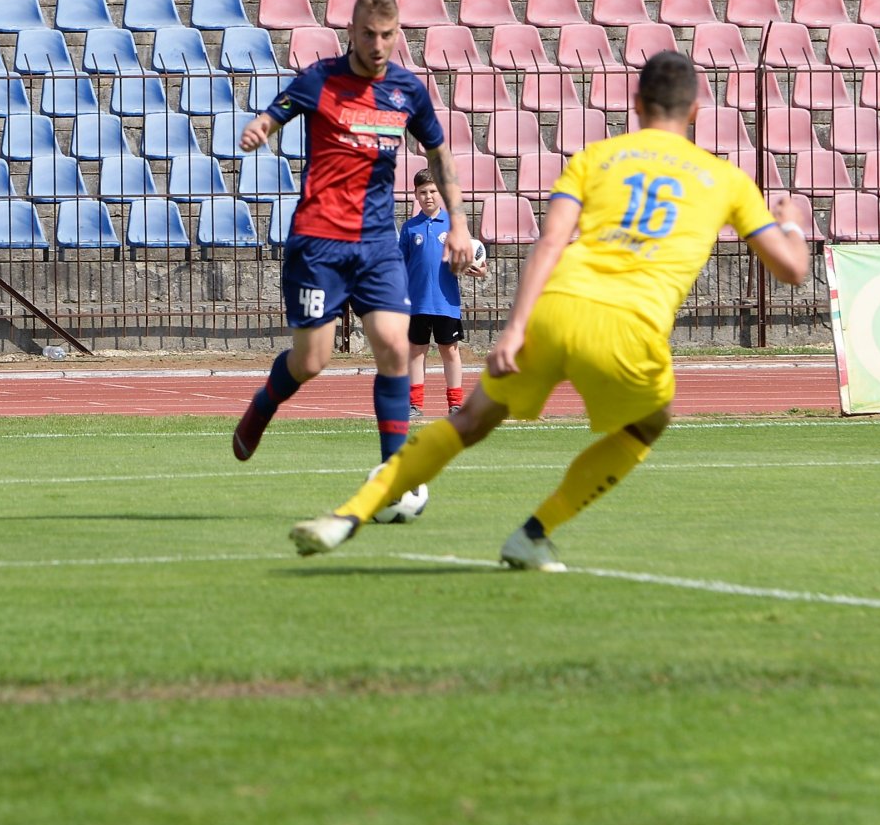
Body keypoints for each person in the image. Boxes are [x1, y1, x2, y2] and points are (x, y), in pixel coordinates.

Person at [289, 50, 810, 566]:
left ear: (635, 104)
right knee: (649, 422)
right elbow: (790, 271)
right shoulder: (725, 179)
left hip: (556, 309)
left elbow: (550, 241)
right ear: (696, 109)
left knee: (470, 421)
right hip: (629, 325)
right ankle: (536, 532)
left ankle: (347, 515)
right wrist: (788, 221)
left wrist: (514, 328)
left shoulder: (597, 158)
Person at [232, 0, 477, 492]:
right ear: (352, 32)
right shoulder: (321, 79)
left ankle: (394, 475)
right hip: (318, 242)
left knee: (392, 343)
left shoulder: (407, 91)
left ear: (398, 33)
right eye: (369, 34)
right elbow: (277, 111)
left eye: (388, 34)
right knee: (312, 360)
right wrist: (262, 125)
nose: (379, 43)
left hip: (377, 245)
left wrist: (460, 223)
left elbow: (440, 155)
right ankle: (263, 406)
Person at [400, 168, 487, 417]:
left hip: (445, 302)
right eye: (423, 192)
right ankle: (415, 405)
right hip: (416, 303)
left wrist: (479, 270)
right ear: (415, 196)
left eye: (433, 191)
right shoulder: (409, 228)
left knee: (450, 351)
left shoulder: (454, 225)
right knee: (417, 351)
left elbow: (474, 260)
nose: (428, 196)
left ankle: (455, 404)